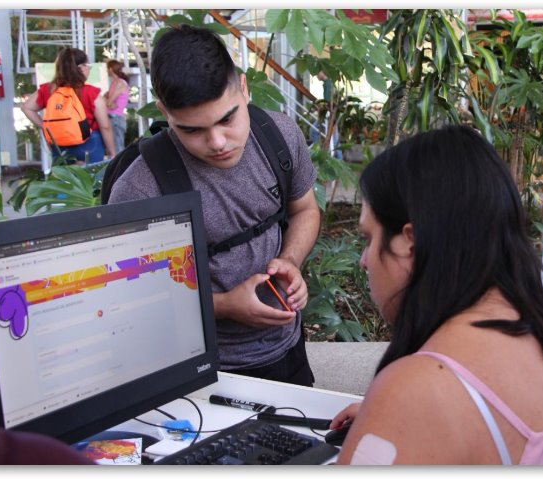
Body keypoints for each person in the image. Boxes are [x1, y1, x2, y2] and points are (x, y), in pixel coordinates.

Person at [330, 125, 543, 465]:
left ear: (410, 241)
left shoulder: (419, 392)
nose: (364, 260)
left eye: (368, 238)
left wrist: (397, 411)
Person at [108, 25, 320, 387]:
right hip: (197, 370)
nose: (218, 142)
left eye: (227, 118)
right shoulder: (140, 187)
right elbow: (130, 298)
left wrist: (290, 260)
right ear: (164, 112)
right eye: (192, 130)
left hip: (287, 349)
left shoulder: (280, 136)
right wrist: (224, 305)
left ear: (244, 88)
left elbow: (305, 210)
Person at [21, 47, 115, 164]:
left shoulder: (48, 89)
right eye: (87, 65)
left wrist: (45, 126)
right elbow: (105, 126)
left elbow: (26, 107)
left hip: (59, 144)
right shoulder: (91, 92)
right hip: (89, 143)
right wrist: (112, 152)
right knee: (89, 175)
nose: (88, 69)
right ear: (81, 68)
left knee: (64, 175)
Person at [104, 59, 130, 154]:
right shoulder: (114, 83)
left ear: (111, 69)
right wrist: (107, 101)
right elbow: (107, 101)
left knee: (117, 149)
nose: (106, 71)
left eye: (107, 68)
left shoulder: (120, 83)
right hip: (111, 117)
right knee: (112, 149)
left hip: (116, 118)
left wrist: (107, 100)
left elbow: (109, 102)